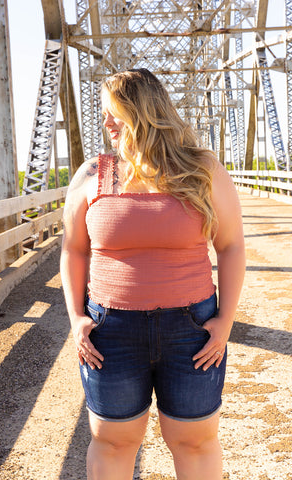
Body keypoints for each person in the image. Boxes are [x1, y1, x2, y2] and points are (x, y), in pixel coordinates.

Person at [60, 68, 245, 480]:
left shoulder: (202, 170)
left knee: (194, 441)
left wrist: (224, 320)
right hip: (111, 330)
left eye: (114, 113)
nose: (105, 122)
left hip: (192, 331)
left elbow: (230, 246)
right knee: (112, 442)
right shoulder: (93, 174)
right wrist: (76, 319)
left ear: (142, 112)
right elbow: (73, 250)